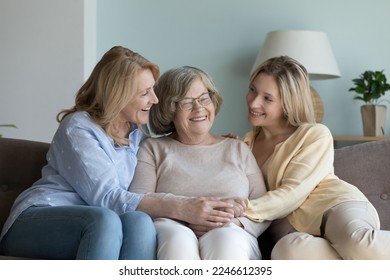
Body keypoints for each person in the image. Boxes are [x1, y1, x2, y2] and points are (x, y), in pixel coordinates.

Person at [0, 46, 236, 260]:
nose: (154, 100)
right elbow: (106, 198)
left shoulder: (137, 136)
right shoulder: (78, 127)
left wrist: (213, 142)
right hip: (39, 219)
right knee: (104, 219)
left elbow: (170, 149)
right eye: (145, 93)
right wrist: (182, 207)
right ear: (118, 94)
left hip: (101, 224)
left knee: (140, 221)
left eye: (153, 90)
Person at [242, 55, 390, 259]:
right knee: (287, 253)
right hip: (293, 232)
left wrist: (241, 210)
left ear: (288, 102)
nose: (254, 102)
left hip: (335, 206)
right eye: (252, 90)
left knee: (357, 242)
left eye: (267, 98)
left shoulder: (314, 134)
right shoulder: (245, 145)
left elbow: (293, 192)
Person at [129, 66, 270, 260]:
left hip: (232, 229)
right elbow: (136, 201)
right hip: (172, 229)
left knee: (227, 241)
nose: (199, 108)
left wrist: (237, 222)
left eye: (204, 98)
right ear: (169, 109)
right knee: (178, 240)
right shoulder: (153, 149)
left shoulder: (237, 148)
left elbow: (264, 206)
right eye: (186, 102)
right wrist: (187, 212)